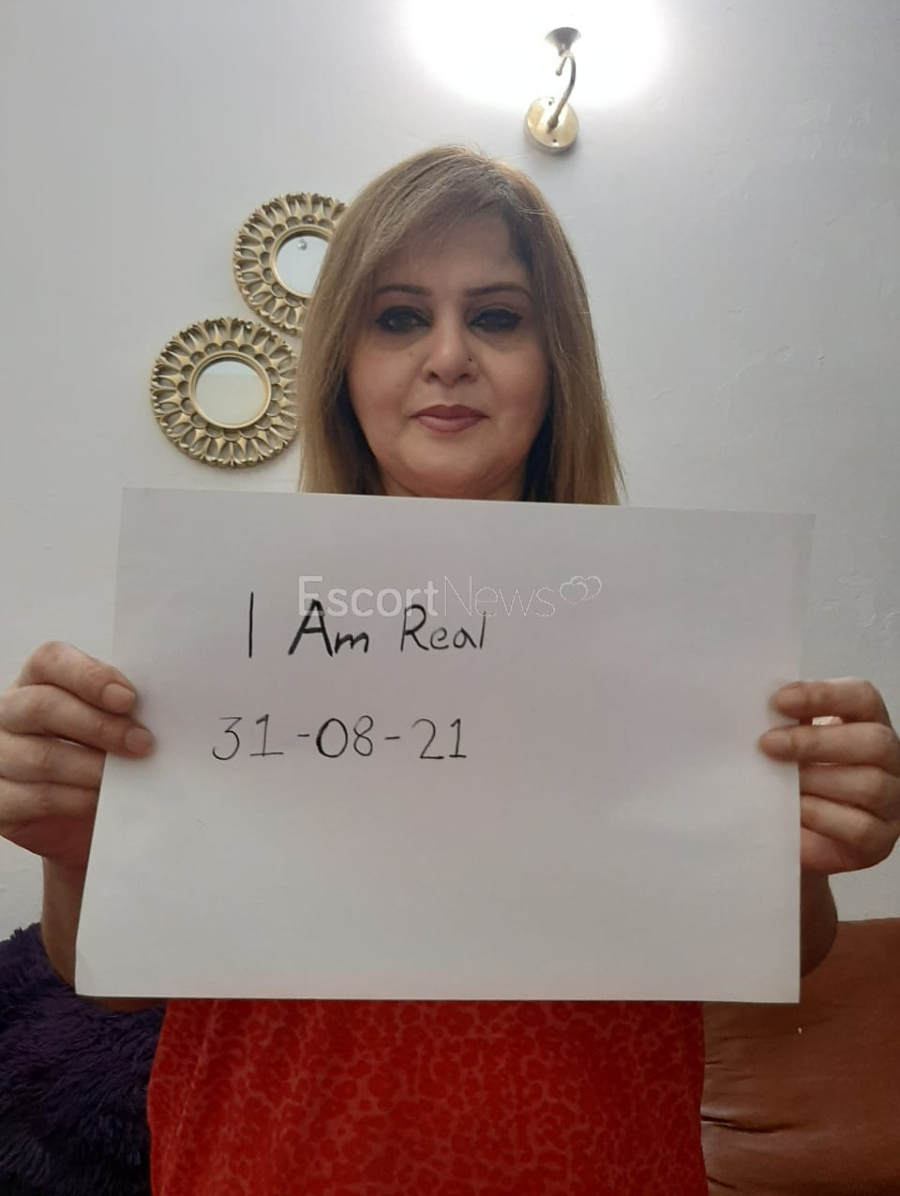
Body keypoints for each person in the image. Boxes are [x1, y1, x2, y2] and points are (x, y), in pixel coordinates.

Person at [1, 145, 898, 1196]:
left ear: (556, 361)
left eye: (499, 317)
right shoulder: (217, 627)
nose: (448, 356)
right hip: (269, 1163)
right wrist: (75, 852)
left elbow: (785, 955)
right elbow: (103, 981)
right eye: (397, 317)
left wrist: (811, 847)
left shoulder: (680, 638)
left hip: (592, 1163)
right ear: (342, 364)